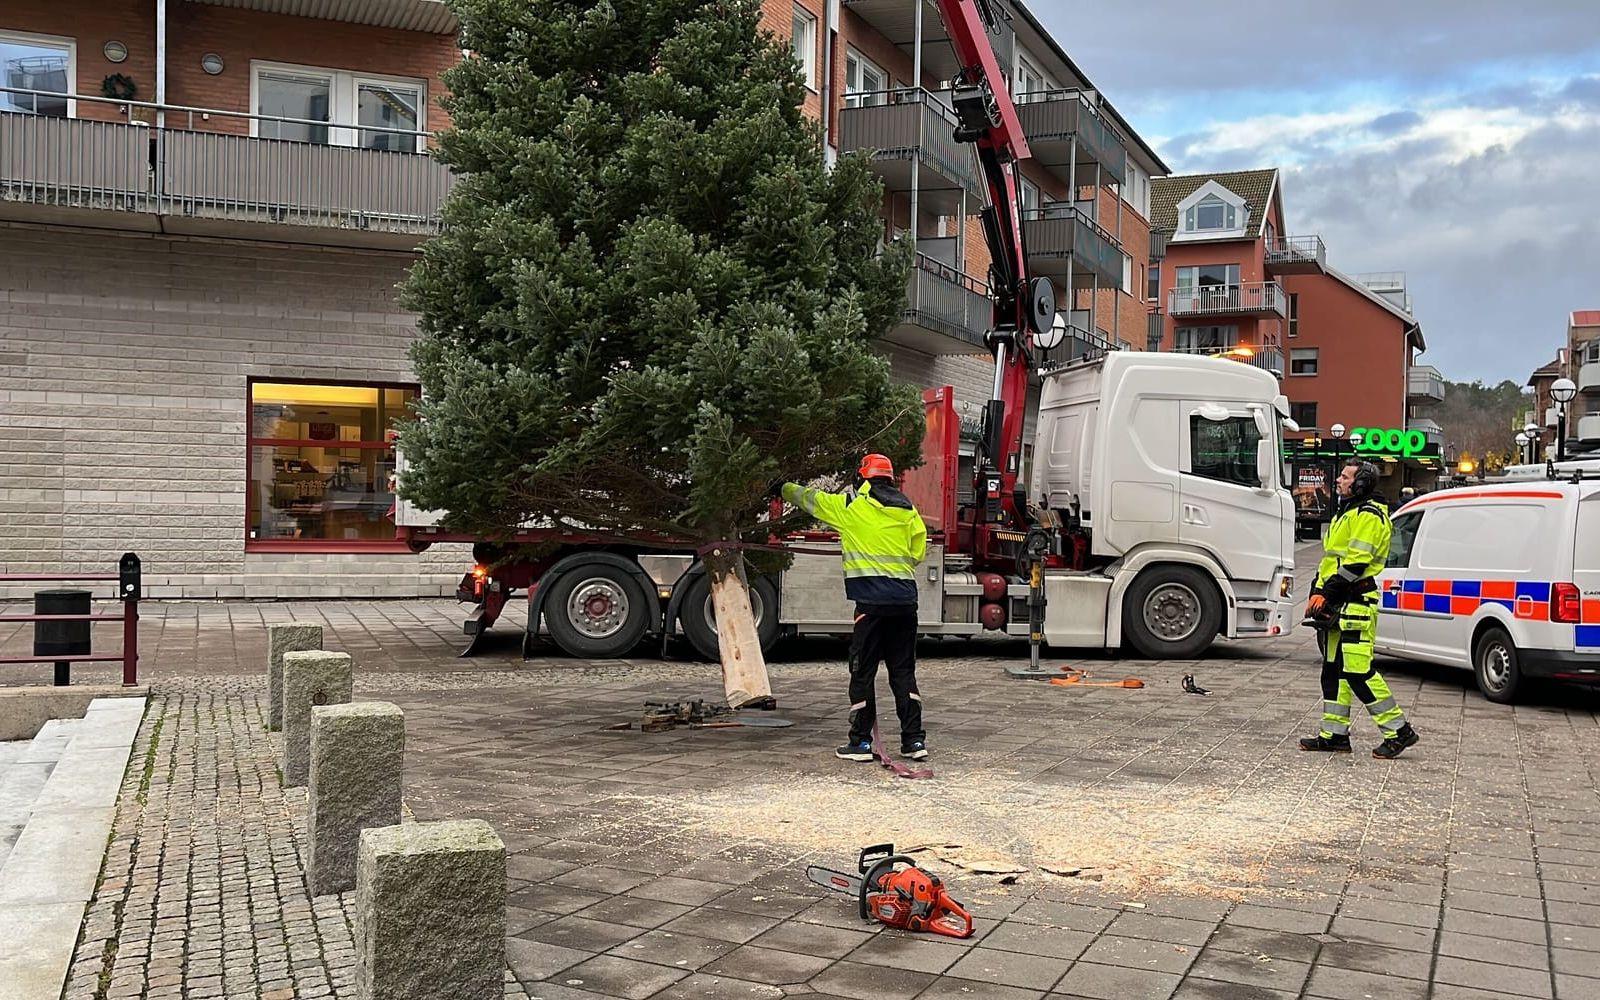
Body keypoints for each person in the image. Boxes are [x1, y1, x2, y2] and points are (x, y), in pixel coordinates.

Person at [779, 454, 929, 761]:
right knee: (903, 672)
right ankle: (914, 742)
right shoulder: (908, 510)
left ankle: (861, 742)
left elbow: (810, 499)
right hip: (904, 603)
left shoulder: (850, 507)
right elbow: (918, 552)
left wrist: (781, 487)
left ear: (862, 479)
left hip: (871, 606)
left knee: (863, 671)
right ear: (890, 479)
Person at [1301, 460, 1420, 759]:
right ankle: (1334, 735)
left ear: (1361, 483)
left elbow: (1356, 564)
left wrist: (1325, 594)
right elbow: (1331, 560)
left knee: (1358, 672)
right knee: (1332, 671)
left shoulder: (1369, 515)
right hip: (1339, 601)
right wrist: (1317, 591)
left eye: (1345, 477)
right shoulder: (1348, 512)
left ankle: (1399, 731)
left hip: (1355, 603)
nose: (1339, 480)